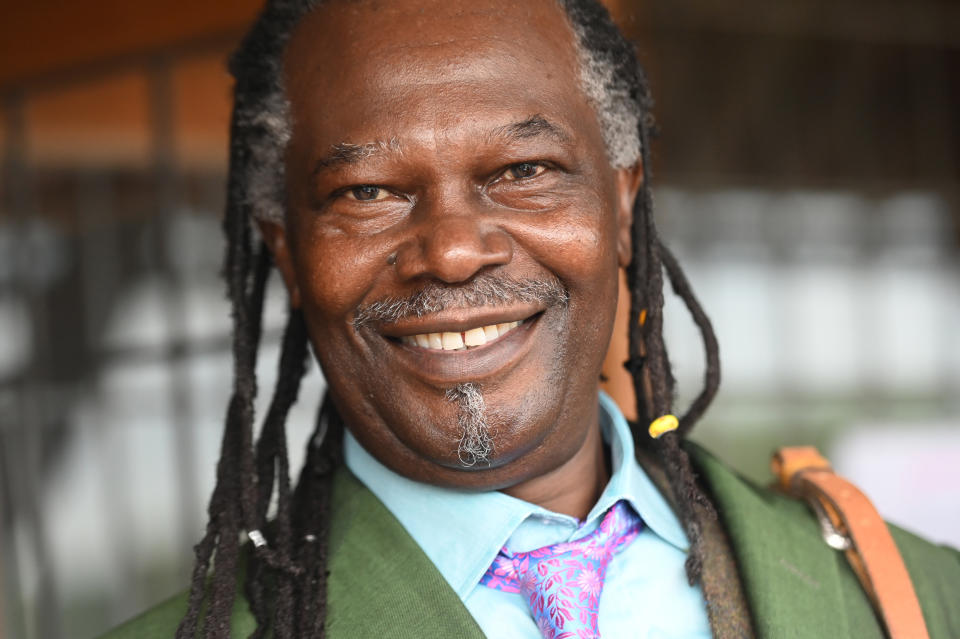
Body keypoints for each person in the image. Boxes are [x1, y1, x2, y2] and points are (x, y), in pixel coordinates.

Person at [105, 0, 960, 637]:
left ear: (623, 209)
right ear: (286, 250)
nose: (451, 251)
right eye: (367, 192)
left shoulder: (916, 599)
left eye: (523, 169)